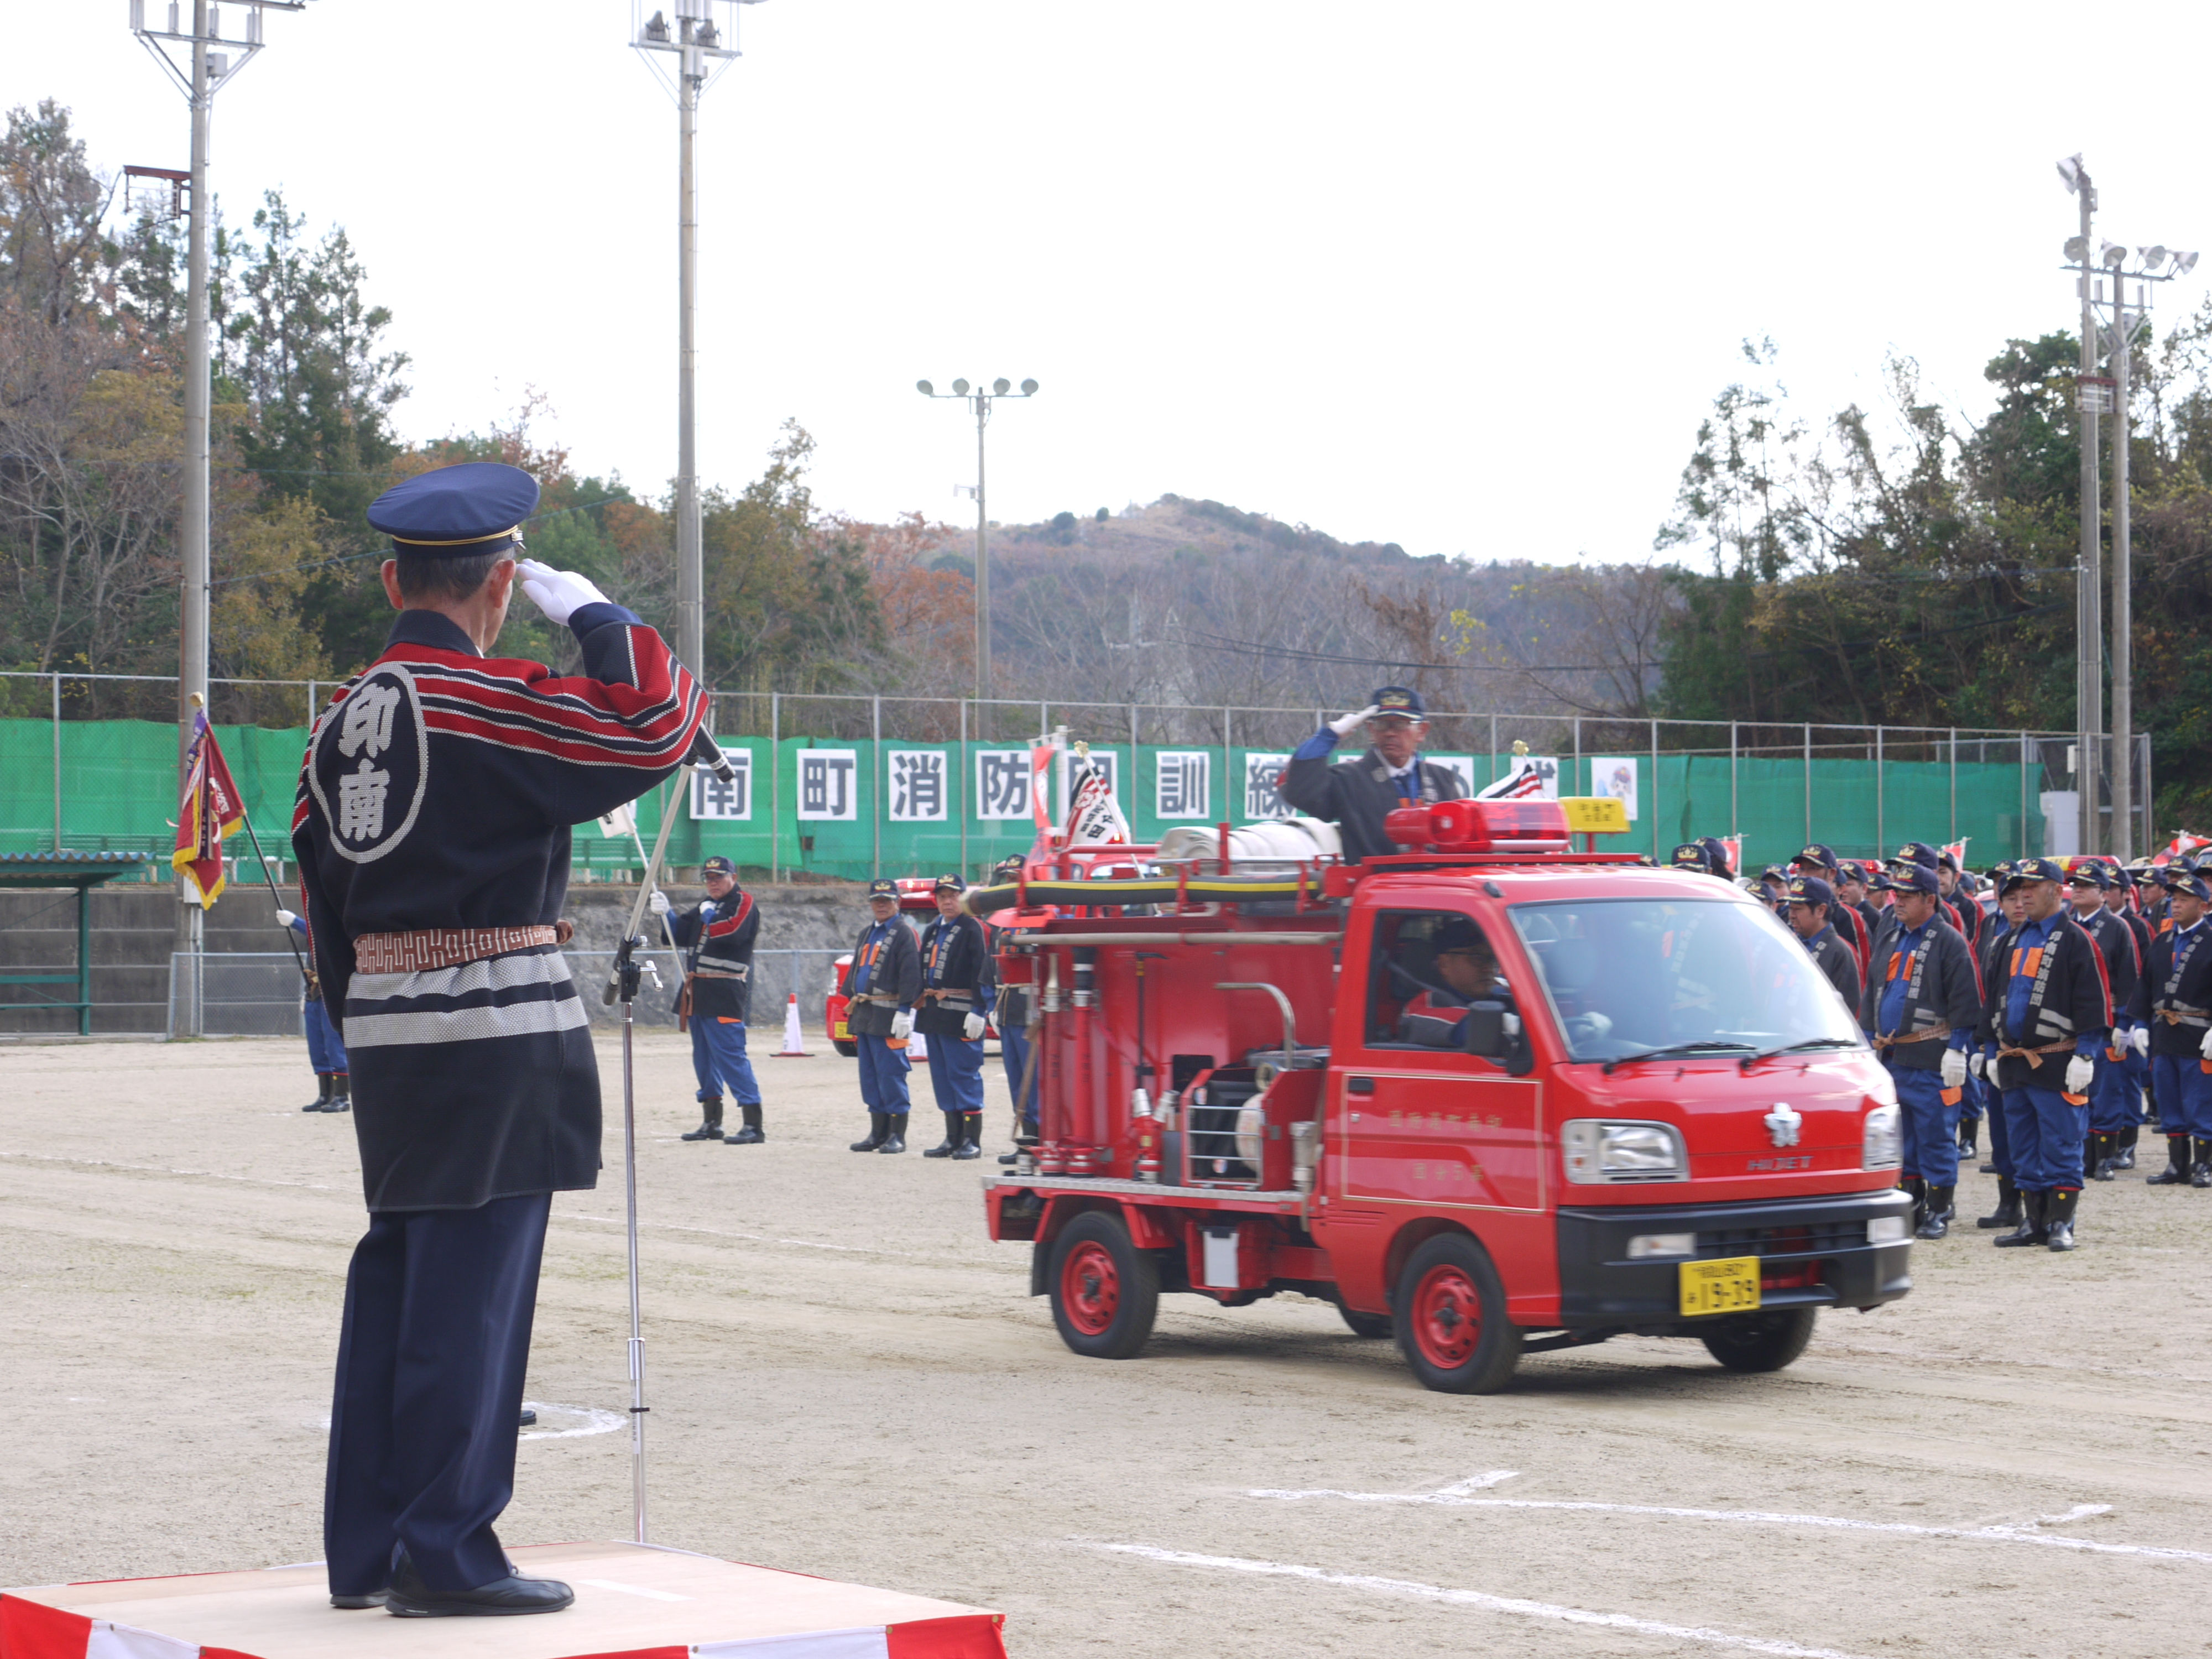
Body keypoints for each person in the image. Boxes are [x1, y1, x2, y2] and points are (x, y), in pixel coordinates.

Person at [294, 461, 710, 1617]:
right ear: (501, 584)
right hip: (495, 1031)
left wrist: (363, 1019)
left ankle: (368, 1545)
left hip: (385, 1041)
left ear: (392, 579)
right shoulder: (488, 701)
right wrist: (596, 617)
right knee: (472, 1301)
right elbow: (661, 724)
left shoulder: (337, 726)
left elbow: (320, 894)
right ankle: (449, 1550)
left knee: (401, 1284)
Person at [1977, 857, 2110, 1253]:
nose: (2024, 896)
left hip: (2057, 1058)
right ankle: (2033, 1223)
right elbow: (1993, 1000)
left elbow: (2093, 1001)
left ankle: (2061, 1224)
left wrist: (2086, 1055)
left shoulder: (2076, 939)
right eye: (2019, 890)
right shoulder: (2010, 940)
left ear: (2057, 890)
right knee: (2022, 1144)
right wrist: (1987, 1050)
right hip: (2015, 1060)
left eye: (2032, 888)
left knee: (2062, 1141)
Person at [1859, 864, 1980, 1239]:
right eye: (1897, 895)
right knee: (1902, 1136)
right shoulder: (1889, 933)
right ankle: (1911, 1202)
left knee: (1936, 1135)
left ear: (1931, 900)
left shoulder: (1949, 941)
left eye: (1908, 896)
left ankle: (1940, 1208)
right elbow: (1873, 987)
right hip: (1892, 1056)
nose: (1899, 902)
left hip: (1932, 1056)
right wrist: (1866, 1041)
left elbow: (1965, 1000)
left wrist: (1957, 1049)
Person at [1280, 685, 1466, 864]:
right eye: (1382, 724)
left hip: (1435, 888)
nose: (1390, 733)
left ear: (1422, 731)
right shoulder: (1349, 778)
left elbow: (1460, 840)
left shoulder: (1441, 779)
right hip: (1374, 889)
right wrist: (1329, 736)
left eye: (1401, 724)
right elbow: (1301, 792)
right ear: (1371, 730)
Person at [653, 855, 764, 1146]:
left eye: (719, 877)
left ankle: (753, 1124)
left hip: (724, 989)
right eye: (709, 878)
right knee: (703, 1058)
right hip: (698, 990)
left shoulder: (744, 903)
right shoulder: (707, 905)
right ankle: (712, 1121)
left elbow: (732, 933)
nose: (713, 883)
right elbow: (678, 936)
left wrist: (708, 916)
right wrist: (666, 915)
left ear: (733, 878)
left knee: (731, 1055)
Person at [2130, 868, 2212, 1188]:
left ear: (2204, 906)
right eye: (2174, 899)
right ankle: (2177, 1165)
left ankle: (2203, 1165)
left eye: (2185, 899)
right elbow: (2145, 986)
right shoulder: (2162, 941)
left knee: (2201, 1101)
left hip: (2198, 1034)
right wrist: (2138, 1023)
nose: (2176, 905)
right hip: (2165, 1033)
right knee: (2169, 1101)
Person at [2064, 861, 2141, 1181]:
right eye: (2075, 885)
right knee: (2075, 1091)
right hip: (2071, 1023)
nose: (2077, 889)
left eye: (2086, 885)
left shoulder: (2117, 928)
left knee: (2107, 1092)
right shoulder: (2066, 925)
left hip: (2108, 1023)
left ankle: (2106, 1158)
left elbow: (2129, 980)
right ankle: (2083, 1156)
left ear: (2104, 893)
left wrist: (2125, 1023)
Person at [841, 877, 921, 1154]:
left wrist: (904, 1010)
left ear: (897, 902)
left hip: (889, 1015)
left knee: (891, 1074)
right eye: (877, 900)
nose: (881, 905)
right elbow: (855, 970)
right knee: (870, 1075)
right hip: (865, 1012)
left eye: (887, 900)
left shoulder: (904, 933)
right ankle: (878, 1132)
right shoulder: (867, 932)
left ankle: (897, 1134)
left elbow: (911, 973)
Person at [915, 873, 992, 1160]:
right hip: (935, 1013)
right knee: (942, 1077)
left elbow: (981, 973)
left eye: (953, 896)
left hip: (962, 1013)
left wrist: (979, 1010)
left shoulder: (974, 928)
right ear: (936, 900)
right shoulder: (933, 929)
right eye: (943, 896)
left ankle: (972, 1140)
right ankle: (952, 1137)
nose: (948, 901)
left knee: (964, 1074)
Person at [983, 857, 1040, 1163]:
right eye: (1005, 878)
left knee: (1037, 1083)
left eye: (1015, 878)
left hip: (1032, 1013)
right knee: (1017, 1081)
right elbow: (987, 969)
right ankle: (1026, 1143)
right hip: (1007, 1012)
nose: (1009, 884)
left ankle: (1040, 1144)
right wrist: (991, 1005)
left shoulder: (1042, 918)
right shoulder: (997, 922)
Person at [276, 906, 350, 1113]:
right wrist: (305, 994)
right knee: (317, 1048)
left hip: (332, 994)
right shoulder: (315, 942)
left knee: (334, 1046)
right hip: (314, 993)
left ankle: (342, 1096)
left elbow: (320, 932)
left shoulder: (336, 928)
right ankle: (326, 1094)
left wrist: (295, 923)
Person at [1395, 914, 1511, 1045]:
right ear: (1445, 964)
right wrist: (1512, 1024)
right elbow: (1470, 1029)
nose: (1488, 968)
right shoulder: (1423, 1007)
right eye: (1477, 957)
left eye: (1492, 958)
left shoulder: (1500, 991)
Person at [1791, 846, 1870, 981]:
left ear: (1832, 874)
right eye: (1802, 869)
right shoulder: (1789, 912)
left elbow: (1861, 972)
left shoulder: (1849, 917)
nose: (1804, 875)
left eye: (1813, 869)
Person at [1784, 876, 1861, 1010]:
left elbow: (1848, 1007)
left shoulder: (1840, 951)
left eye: (1798, 909)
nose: (1792, 915)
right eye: (1791, 909)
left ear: (1821, 911)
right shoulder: (1790, 943)